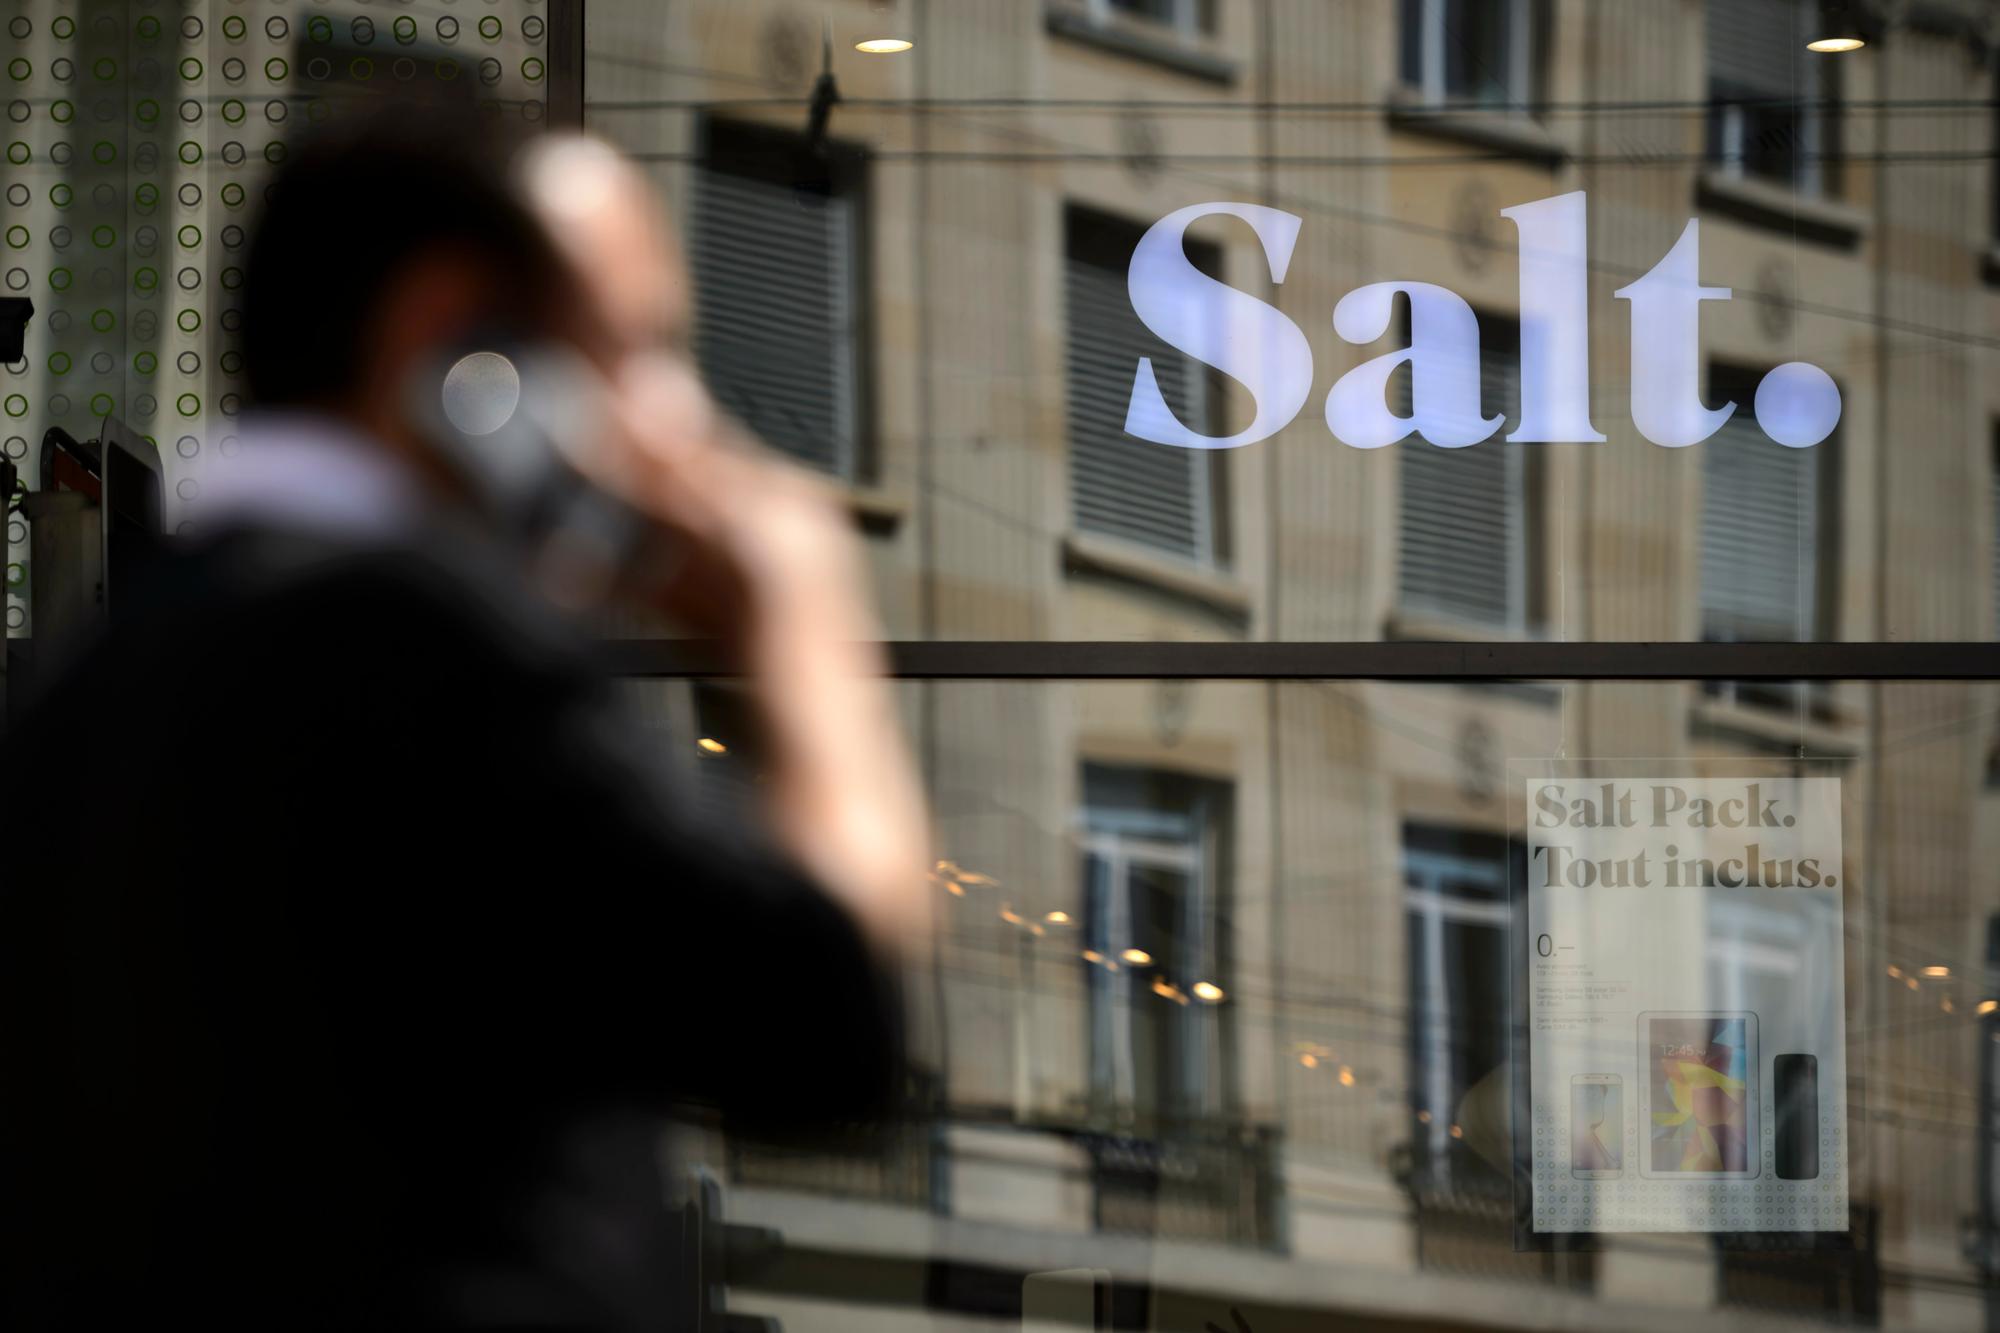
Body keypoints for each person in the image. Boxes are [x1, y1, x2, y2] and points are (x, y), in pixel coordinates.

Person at [0, 107, 928, 1331]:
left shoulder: (91, 684)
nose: (682, 425)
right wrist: (798, 632)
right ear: (457, 347)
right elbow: (824, 1030)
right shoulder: (423, 640)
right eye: (638, 350)